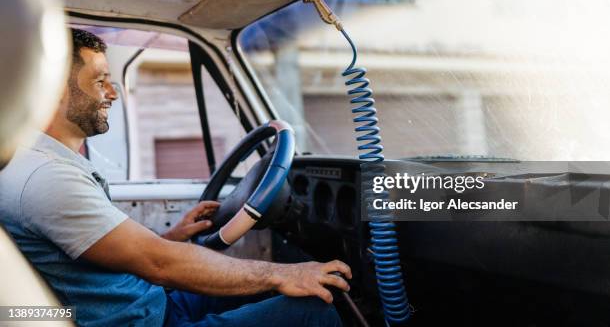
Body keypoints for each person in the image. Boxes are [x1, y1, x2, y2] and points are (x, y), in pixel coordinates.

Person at [0, 28, 351, 327]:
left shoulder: (38, 161)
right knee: (312, 308)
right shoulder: (47, 177)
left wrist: (171, 236)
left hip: (148, 304)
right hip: (144, 319)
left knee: (278, 284)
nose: (113, 92)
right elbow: (158, 263)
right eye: (99, 81)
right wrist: (282, 274)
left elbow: (112, 251)